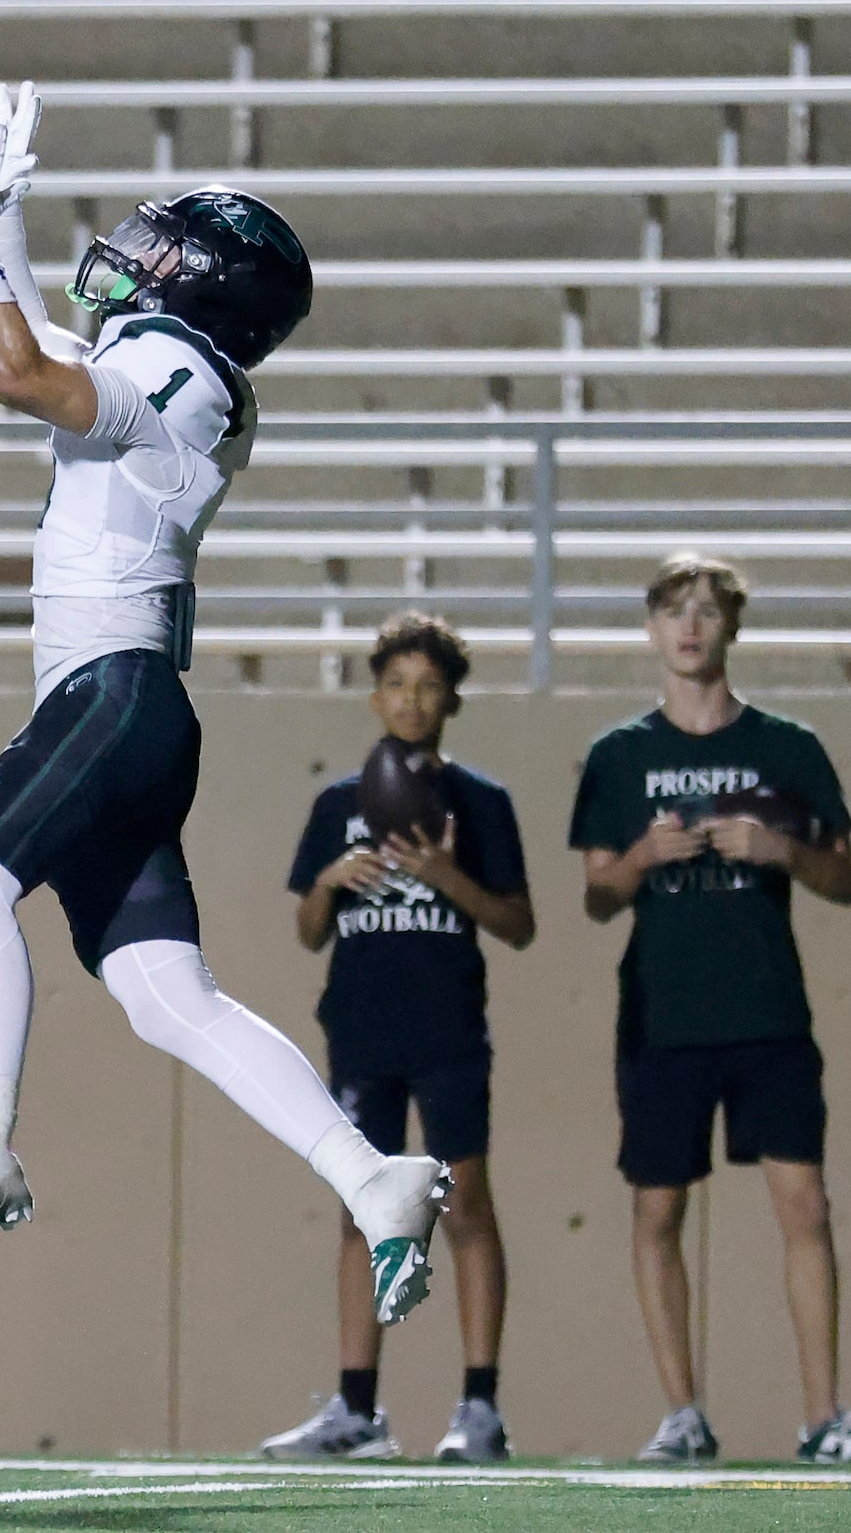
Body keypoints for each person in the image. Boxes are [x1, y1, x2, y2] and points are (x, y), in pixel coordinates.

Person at [0, 83, 452, 1341]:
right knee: (161, 994)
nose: (137, 260)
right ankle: (374, 1177)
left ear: (209, 288)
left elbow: (10, 366)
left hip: (112, 691)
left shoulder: (179, 367)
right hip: (129, 706)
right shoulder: (175, 366)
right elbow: (46, 354)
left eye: (164, 250)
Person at [569, 554, 851, 1466]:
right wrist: (640, 856)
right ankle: (681, 1413)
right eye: (674, 612)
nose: (689, 628)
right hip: (661, 1014)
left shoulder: (785, 747)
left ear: (731, 629)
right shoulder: (620, 755)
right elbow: (597, 895)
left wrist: (778, 848)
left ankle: (824, 1416)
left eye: (707, 613)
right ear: (650, 628)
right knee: (656, 1209)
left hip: (765, 1008)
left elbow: (845, 879)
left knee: (803, 1201)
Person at [261, 611, 534, 1465]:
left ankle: (479, 1409)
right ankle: (355, 1410)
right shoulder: (338, 804)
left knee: (466, 1211)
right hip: (360, 1029)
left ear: (451, 697)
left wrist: (444, 875)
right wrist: (333, 882)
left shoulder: (480, 802)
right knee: (360, 1215)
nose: (410, 701)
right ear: (374, 696)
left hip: (447, 1029)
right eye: (394, 685)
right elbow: (307, 930)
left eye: (426, 686)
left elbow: (518, 923)